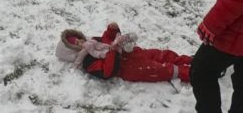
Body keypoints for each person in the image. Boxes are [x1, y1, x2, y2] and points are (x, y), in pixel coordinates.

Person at [55, 22, 192, 83]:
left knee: (162, 55)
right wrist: (113, 51)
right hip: (129, 68)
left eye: (78, 39)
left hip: (133, 53)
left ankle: (192, 61)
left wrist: (111, 30)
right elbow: (107, 72)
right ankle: (195, 74)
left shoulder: (93, 41)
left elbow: (107, 39)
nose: (80, 42)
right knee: (163, 70)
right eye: (76, 44)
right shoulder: (87, 61)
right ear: (72, 52)